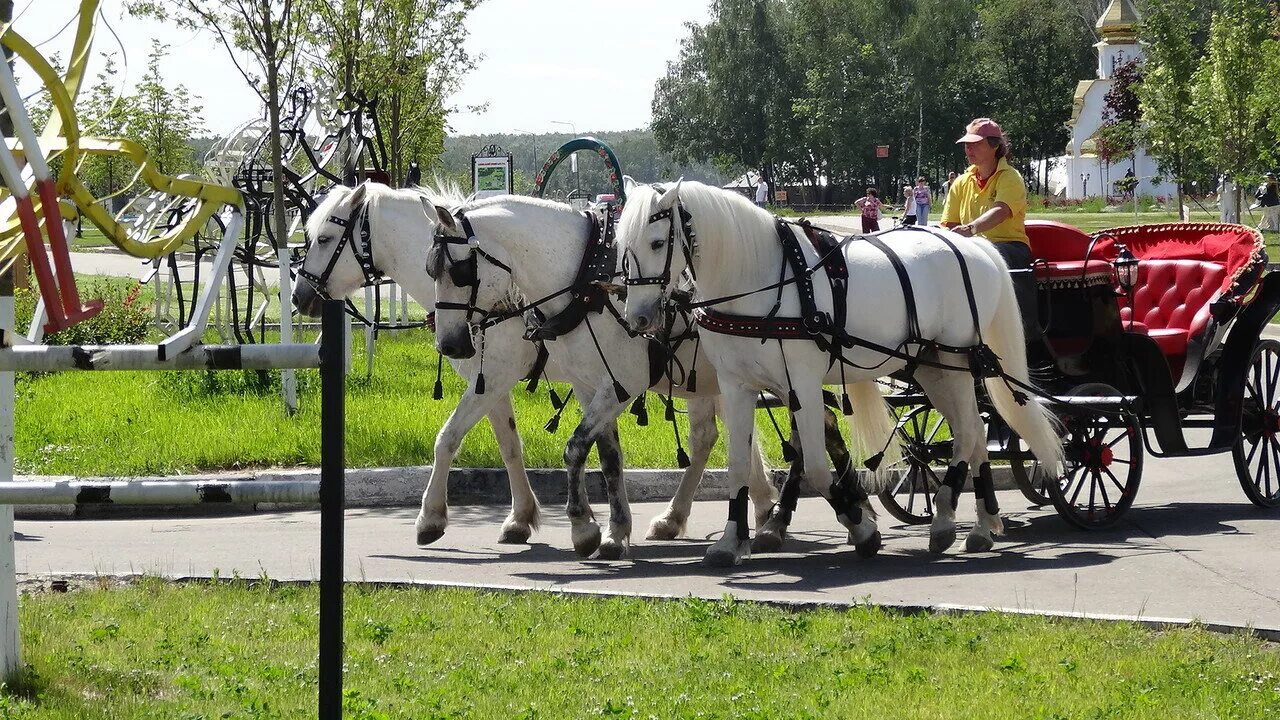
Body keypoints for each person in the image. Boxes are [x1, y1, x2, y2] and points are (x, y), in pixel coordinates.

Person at [940, 117, 1041, 347]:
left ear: (995, 145)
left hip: (1009, 247)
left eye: (975, 143)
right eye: (966, 144)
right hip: (971, 248)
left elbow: (1001, 210)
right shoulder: (961, 182)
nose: (968, 148)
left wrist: (971, 229)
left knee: (986, 260)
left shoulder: (1010, 177)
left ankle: (1024, 335)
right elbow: (948, 224)